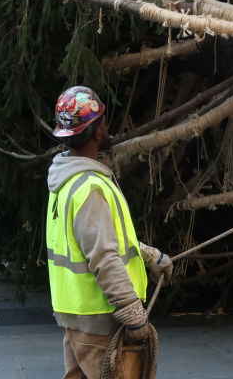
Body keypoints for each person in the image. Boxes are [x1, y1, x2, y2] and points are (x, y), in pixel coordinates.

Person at [45, 86, 174, 379]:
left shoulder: (66, 180)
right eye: (103, 120)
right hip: (98, 319)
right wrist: (130, 310)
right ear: (97, 131)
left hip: (77, 314)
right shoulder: (90, 187)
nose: (107, 125)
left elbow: (99, 240)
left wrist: (149, 255)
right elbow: (103, 255)